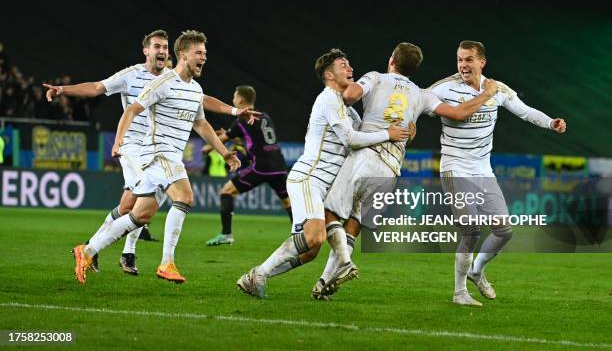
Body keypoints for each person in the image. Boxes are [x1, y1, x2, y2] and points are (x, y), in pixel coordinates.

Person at [45, 30, 257, 275]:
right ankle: (156, 260)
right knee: (184, 197)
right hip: (148, 148)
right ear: (149, 50)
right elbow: (106, 94)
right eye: (199, 53)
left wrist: (225, 148)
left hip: (166, 153)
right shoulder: (143, 79)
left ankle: (89, 250)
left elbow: (200, 118)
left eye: (164, 47)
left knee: (137, 212)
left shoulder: (189, 85)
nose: (161, 51)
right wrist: (117, 139)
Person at [310, 42, 498, 300]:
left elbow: (350, 95)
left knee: (330, 211)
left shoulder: (375, 78)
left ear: (391, 60)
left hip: (366, 155)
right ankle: (324, 282)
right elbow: (458, 114)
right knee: (356, 223)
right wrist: (486, 94)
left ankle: (343, 262)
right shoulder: (422, 94)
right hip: (390, 169)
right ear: (414, 68)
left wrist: (342, 87)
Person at [236, 48, 412, 299]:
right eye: (343, 65)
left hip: (323, 185)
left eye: (349, 64)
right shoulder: (328, 98)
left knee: (310, 250)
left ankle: (256, 275)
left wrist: (403, 131)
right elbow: (351, 140)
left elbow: (366, 139)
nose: (350, 69)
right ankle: (260, 274)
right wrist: (388, 134)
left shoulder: (348, 109)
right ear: (329, 74)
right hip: (309, 178)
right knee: (314, 236)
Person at [429, 40, 566, 306]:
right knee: (470, 229)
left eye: (468, 59)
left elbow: (525, 112)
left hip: (482, 169)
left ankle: (476, 271)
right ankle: (459, 293)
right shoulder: (444, 87)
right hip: (454, 166)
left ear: (482, 62)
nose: (463, 65)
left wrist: (551, 122)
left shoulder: (498, 89)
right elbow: (419, 100)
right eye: (459, 59)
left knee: (504, 230)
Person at [205, 85, 292, 246]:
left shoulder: (241, 120)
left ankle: (226, 235)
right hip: (279, 165)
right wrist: (237, 139)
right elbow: (256, 141)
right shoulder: (264, 116)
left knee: (226, 192)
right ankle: (300, 235)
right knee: (287, 202)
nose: (232, 100)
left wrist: (208, 148)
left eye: (234, 97)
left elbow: (223, 138)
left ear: (240, 100)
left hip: (261, 166)